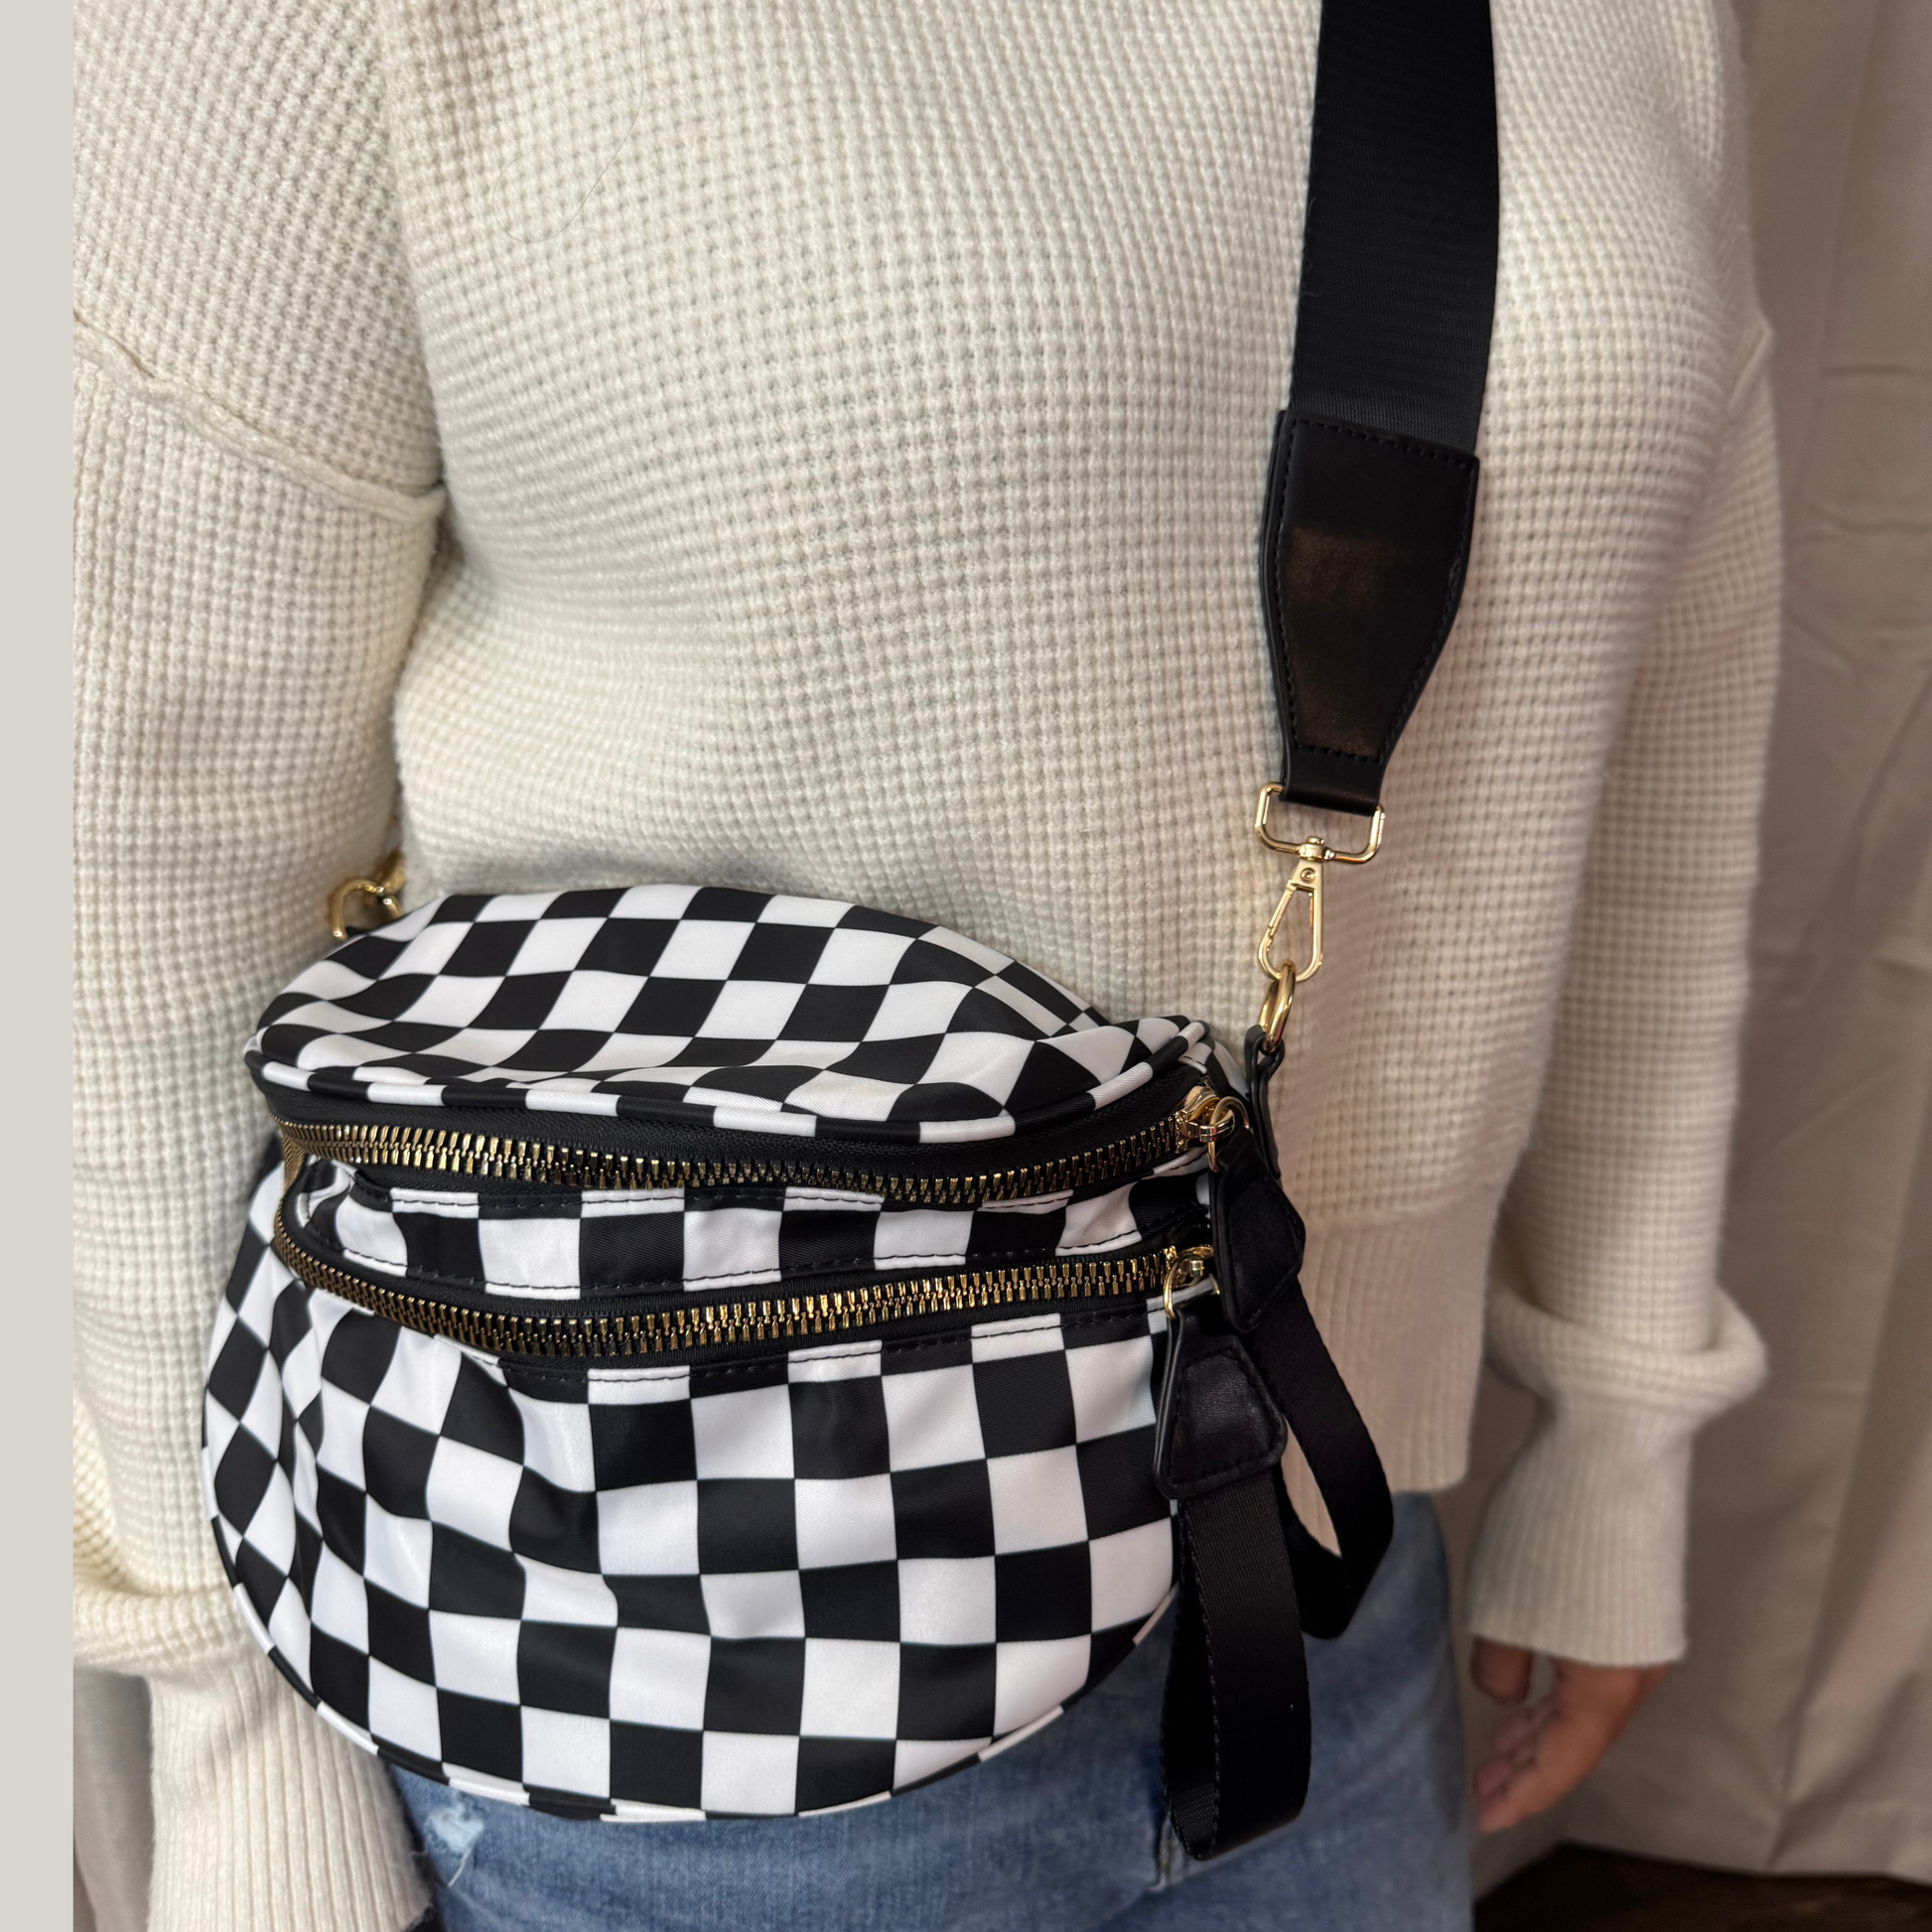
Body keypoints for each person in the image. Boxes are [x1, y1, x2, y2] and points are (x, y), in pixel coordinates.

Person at [72, 2, 1777, 1926]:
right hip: (640, 1624)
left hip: (1313, 1534)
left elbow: (1666, 731)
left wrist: (1619, 1426)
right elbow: (129, 879)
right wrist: (232, 1712)